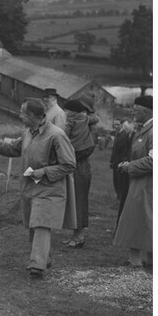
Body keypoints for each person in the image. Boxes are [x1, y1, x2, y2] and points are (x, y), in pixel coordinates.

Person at [0, 98, 77, 277]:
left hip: (50, 189)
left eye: (22, 113)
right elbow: (12, 149)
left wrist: (44, 172)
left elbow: (69, 164)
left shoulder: (56, 135)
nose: (20, 115)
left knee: (41, 223)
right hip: (30, 188)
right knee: (35, 225)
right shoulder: (27, 132)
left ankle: (37, 265)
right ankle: (44, 258)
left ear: (34, 116)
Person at [113, 95, 153, 268]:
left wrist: (130, 166)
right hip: (141, 182)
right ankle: (143, 259)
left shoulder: (154, 131)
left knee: (140, 219)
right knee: (141, 219)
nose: (132, 113)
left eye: (136, 111)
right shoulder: (144, 129)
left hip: (147, 184)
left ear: (146, 111)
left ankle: (137, 260)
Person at [61, 99, 96, 248]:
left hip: (78, 167)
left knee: (78, 202)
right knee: (77, 201)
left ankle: (79, 237)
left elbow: (61, 137)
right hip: (82, 164)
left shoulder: (70, 123)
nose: (64, 112)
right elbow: (97, 118)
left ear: (72, 111)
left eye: (66, 110)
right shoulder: (86, 119)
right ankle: (76, 235)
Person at [109, 118, 134, 220]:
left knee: (120, 181)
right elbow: (114, 149)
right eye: (114, 125)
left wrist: (122, 161)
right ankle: (118, 198)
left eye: (118, 125)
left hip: (120, 161)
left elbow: (124, 150)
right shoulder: (118, 134)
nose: (116, 126)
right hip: (116, 161)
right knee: (116, 180)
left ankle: (119, 200)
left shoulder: (123, 136)